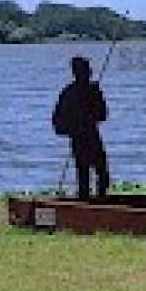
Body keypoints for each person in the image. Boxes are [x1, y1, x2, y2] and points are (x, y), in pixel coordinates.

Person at [52, 55, 110, 200]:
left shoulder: (91, 91)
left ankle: (99, 199)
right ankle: (87, 201)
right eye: (86, 69)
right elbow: (57, 121)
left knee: (100, 171)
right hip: (81, 137)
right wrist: (74, 127)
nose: (89, 72)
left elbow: (102, 115)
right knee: (87, 172)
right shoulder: (69, 93)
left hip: (89, 135)